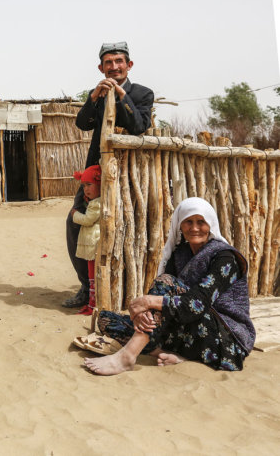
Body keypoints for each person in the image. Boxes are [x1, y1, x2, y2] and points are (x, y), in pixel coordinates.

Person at [84, 197, 256, 376]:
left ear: (210, 224)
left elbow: (195, 305)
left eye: (201, 222)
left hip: (224, 338)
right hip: (186, 328)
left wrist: (147, 301)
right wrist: (144, 314)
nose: (194, 228)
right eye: (188, 221)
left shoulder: (225, 258)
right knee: (106, 320)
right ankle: (171, 355)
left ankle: (127, 357)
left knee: (165, 281)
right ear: (179, 225)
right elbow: (169, 301)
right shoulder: (179, 254)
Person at [64, 41, 154, 308]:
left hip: (130, 176)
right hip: (96, 173)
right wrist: (93, 98)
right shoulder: (98, 94)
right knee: (76, 223)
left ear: (129, 65)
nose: (114, 67)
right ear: (101, 68)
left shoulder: (142, 93)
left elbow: (138, 126)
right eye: (108, 63)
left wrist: (121, 97)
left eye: (119, 62)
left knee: (126, 228)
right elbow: (82, 124)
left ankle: (125, 289)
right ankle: (86, 286)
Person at [70, 165, 101, 315]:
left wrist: (75, 215)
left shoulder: (97, 204)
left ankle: (93, 304)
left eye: (89, 185)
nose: (86, 189)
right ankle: (92, 302)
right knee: (91, 277)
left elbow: (88, 220)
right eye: (83, 186)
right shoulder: (93, 203)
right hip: (91, 247)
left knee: (93, 277)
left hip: (94, 247)